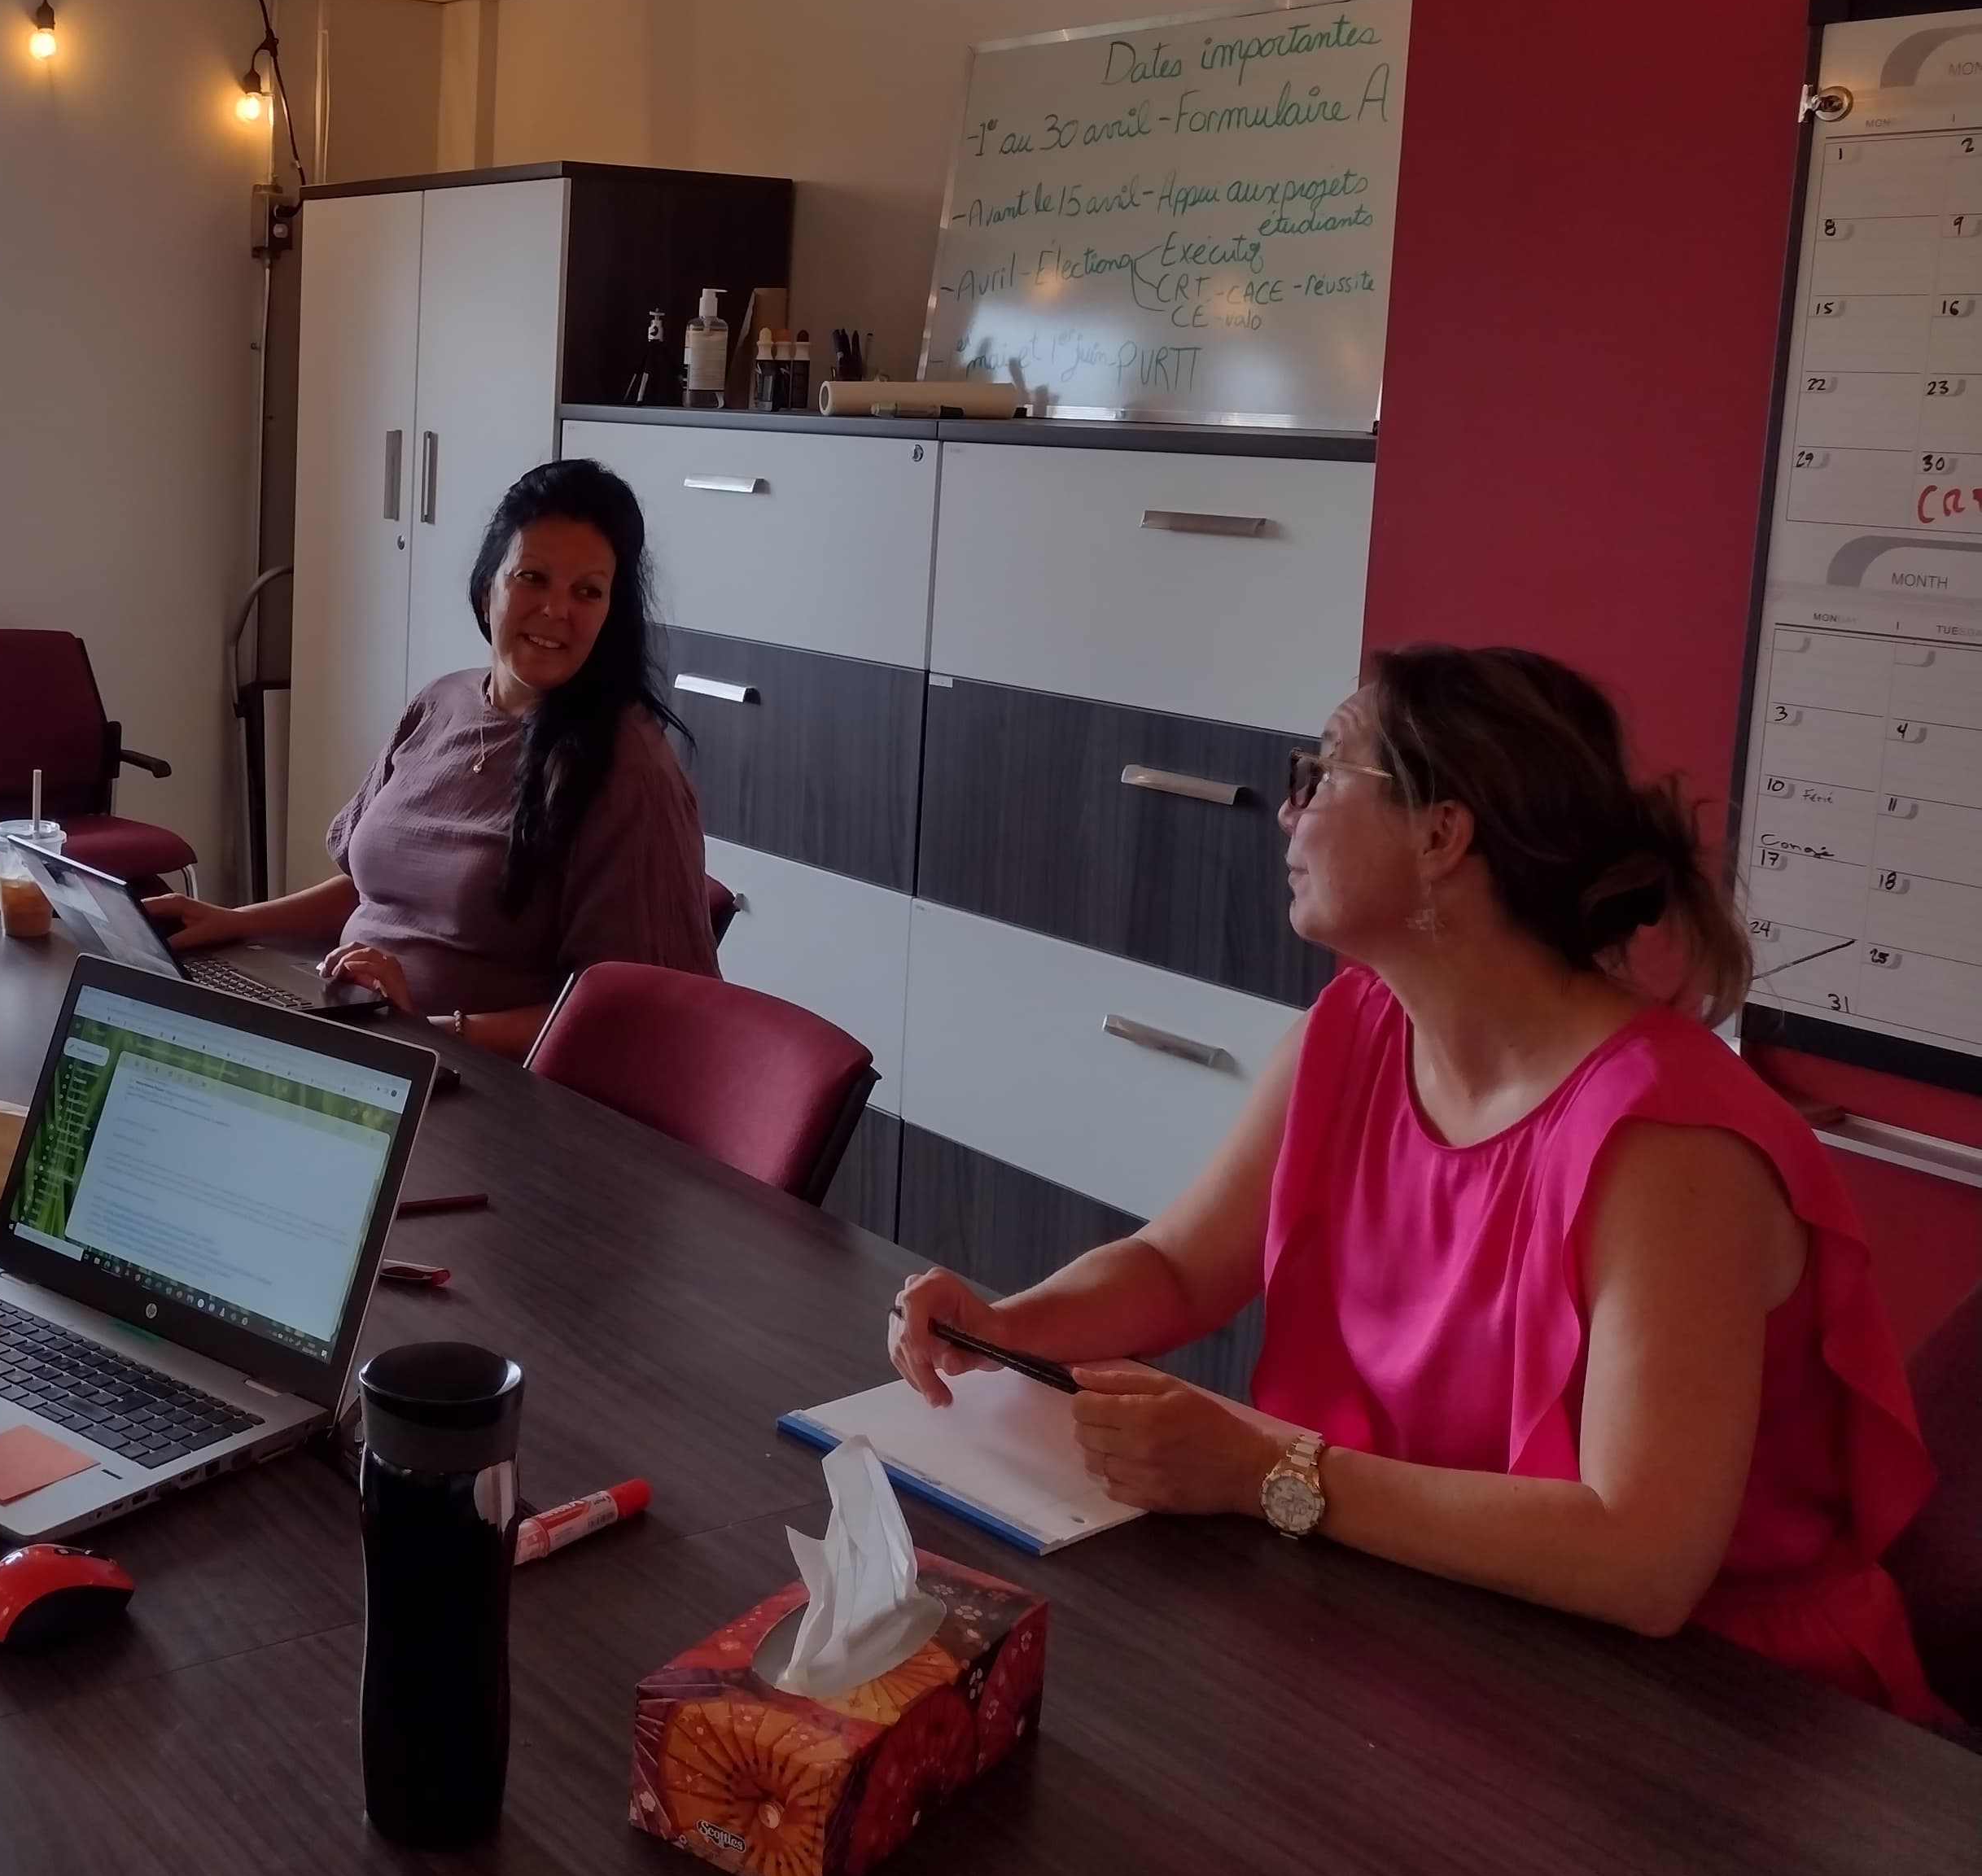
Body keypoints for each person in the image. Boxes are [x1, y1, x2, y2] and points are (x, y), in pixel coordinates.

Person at [886, 644, 1949, 1724]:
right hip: (1439, 1611)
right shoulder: (1352, 1028)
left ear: (1442, 835)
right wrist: (1005, 1327)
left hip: (1719, 1711)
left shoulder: (1670, 1145)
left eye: (1321, 773)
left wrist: (1264, 1472)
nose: (1287, 811)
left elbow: (1643, 1561)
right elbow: (1179, 1266)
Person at [152, 458, 717, 1058]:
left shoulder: (627, 768)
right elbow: (375, 891)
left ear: (611, 615)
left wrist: (428, 1030)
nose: (557, 610)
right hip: (356, 1032)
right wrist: (232, 921)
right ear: (487, 589)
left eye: (588, 592)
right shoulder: (441, 703)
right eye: (533, 578)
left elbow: (629, 1021)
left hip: (476, 1079)